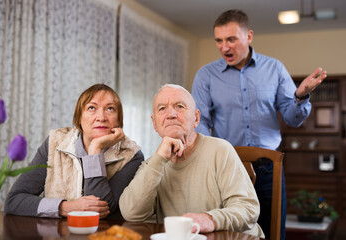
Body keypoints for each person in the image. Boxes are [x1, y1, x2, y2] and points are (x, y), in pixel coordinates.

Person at [191, 9, 327, 240]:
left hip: (269, 169)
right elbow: (200, 121)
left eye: (231, 39)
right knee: (231, 233)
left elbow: (293, 118)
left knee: (273, 232)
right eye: (219, 40)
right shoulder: (206, 75)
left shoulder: (274, 69)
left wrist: (301, 96)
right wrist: (208, 156)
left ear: (249, 36)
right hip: (227, 168)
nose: (224, 47)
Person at [119, 84, 265, 238]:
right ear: (154, 123)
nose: (171, 114)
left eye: (179, 106)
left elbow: (248, 209)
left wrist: (210, 219)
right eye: (162, 109)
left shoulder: (221, 149)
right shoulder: (153, 164)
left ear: (196, 118)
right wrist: (159, 159)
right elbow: (131, 213)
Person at [5, 83, 144, 219]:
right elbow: (14, 200)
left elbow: (99, 212)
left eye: (110, 109)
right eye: (91, 108)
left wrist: (95, 149)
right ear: (78, 119)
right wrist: (65, 207)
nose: (101, 117)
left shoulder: (131, 155)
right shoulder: (55, 143)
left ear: (119, 121)